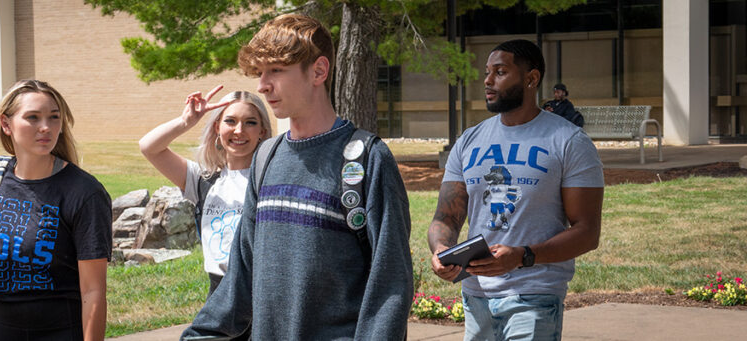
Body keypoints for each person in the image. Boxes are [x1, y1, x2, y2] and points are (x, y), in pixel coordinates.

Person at [182, 14, 414, 340]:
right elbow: (240, 278)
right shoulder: (265, 157)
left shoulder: (368, 159)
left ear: (318, 71)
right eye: (260, 73)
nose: (262, 85)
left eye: (275, 70)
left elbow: (390, 285)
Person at [427, 39, 604, 340]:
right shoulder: (470, 140)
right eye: (487, 72)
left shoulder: (568, 141)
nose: (487, 80)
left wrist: (523, 256)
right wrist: (442, 250)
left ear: (531, 79)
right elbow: (446, 218)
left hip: (534, 295)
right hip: (476, 296)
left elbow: (587, 232)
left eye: (500, 72)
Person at [0, 79, 112, 341]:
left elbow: (93, 291)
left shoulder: (84, 193)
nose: (45, 127)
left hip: (58, 330)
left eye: (53, 118)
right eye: (33, 118)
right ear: (6, 124)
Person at [138, 85, 273, 295]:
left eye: (250, 123)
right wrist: (186, 122)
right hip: (218, 292)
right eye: (231, 121)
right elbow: (149, 146)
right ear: (217, 127)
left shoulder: (270, 178)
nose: (239, 130)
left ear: (261, 132)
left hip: (261, 292)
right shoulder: (203, 178)